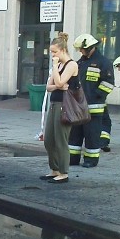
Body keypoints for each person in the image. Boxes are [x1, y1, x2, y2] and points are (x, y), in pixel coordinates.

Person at [68, 33, 114, 167]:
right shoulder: (81, 62)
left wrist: (96, 95)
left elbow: (109, 83)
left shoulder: (104, 62)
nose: (80, 52)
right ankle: (72, 158)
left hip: (94, 106)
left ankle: (91, 160)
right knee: (75, 133)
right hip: (78, 106)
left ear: (89, 47)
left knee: (91, 134)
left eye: (81, 49)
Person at [42, 32, 79, 184]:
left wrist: (56, 69)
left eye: (54, 52)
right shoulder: (59, 65)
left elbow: (57, 82)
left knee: (61, 140)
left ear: (63, 50)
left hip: (65, 105)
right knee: (49, 139)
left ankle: (64, 172)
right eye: (51, 52)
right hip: (54, 104)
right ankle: (54, 169)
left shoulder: (71, 65)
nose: (52, 55)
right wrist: (58, 83)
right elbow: (49, 87)